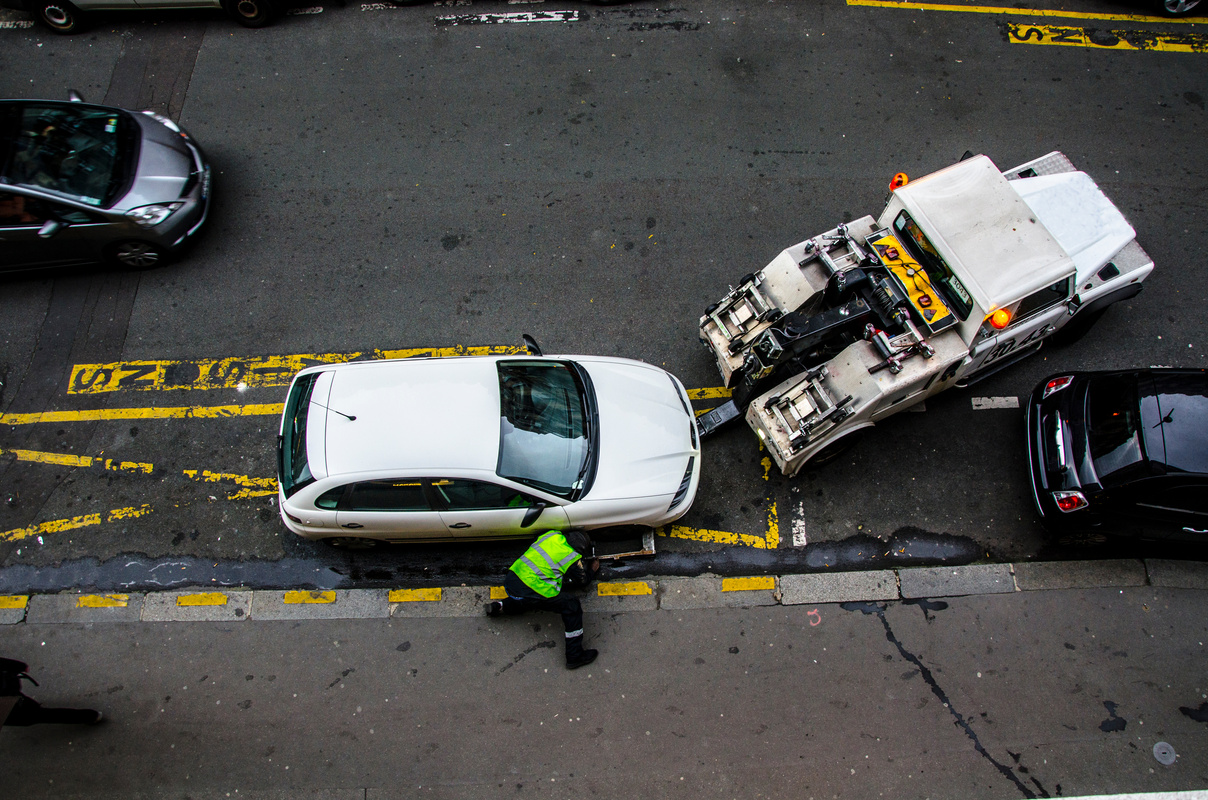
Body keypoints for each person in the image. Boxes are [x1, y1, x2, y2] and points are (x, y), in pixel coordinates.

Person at [486, 529, 601, 670]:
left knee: (527, 596)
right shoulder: (571, 556)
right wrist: (592, 570)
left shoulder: (552, 535)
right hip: (531, 587)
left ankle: (500, 606)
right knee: (571, 605)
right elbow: (582, 580)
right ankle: (574, 655)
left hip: (514, 577)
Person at [1, 657, 102, 728]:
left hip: (7, 702)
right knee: (34, 712)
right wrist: (16, 666)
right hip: (7, 689)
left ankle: (89, 716)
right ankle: (90, 716)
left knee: (36, 715)